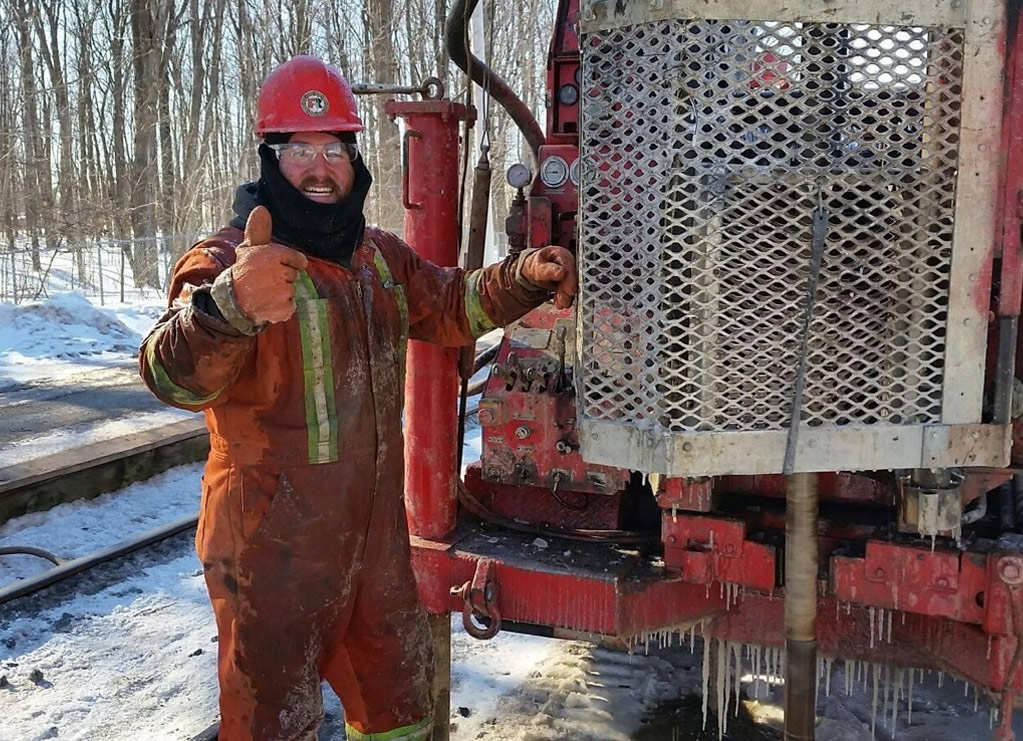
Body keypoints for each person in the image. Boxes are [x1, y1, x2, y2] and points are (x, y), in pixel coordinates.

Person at [139, 55, 576, 741]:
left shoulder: (377, 258)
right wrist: (226, 310)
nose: (320, 167)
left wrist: (525, 275)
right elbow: (169, 375)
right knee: (271, 727)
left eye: (334, 148)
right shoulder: (227, 260)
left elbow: (451, 305)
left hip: (375, 550)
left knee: (399, 714)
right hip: (269, 560)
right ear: (270, 158)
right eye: (300, 149)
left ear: (354, 158)